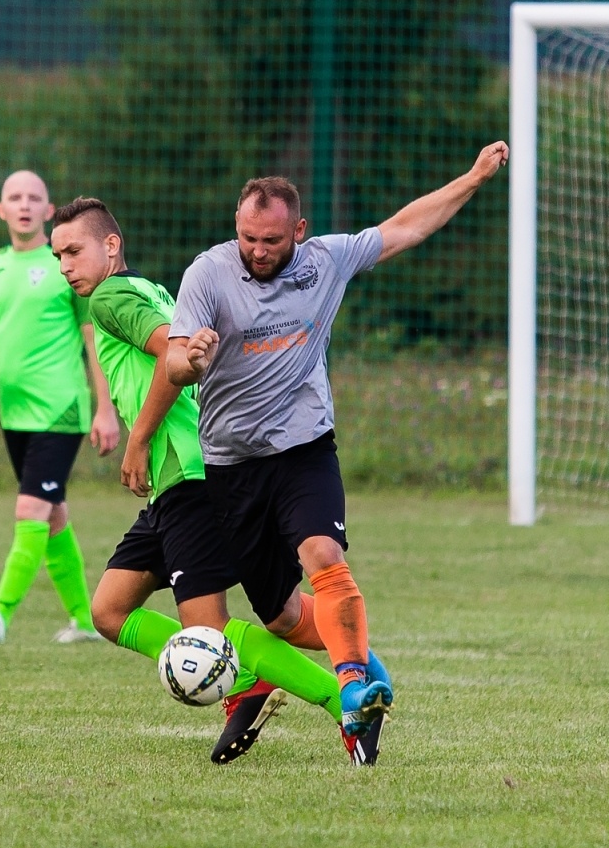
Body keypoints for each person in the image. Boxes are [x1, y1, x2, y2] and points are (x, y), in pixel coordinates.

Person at [166, 142, 510, 736]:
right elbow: (172, 363)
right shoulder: (208, 272)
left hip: (304, 450)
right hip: (232, 463)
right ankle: (369, 664)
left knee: (323, 553)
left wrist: (473, 178)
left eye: (272, 240)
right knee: (278, 616)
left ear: (298, 230)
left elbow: (404, 228)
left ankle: (351, 688)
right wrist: (190, 360)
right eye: (249, 237)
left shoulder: (326, 260)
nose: (258, 250)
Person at [52, 196, 393, 765]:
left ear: (110, 245)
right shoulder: (146, 290)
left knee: (213, 631)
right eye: (58, 253)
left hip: (191, 475)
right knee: (109, 611)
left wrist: (137, 437)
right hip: (173, 482)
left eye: (73, 250)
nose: (65, 264)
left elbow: (171, 355)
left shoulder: (112, 297)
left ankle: (340, 699)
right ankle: (270, 671)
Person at [0, 170, 120, 645]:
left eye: (33, 197)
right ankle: (85, 619)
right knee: (52, 514)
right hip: (13, 415)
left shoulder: (65, 265)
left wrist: (105, 408)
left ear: (48, 209)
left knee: (31, 509)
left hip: (60, 410)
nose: (23, 204)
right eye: (14, 197)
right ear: (1, 209)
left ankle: (0, 614)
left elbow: (91, 337)